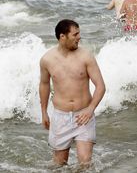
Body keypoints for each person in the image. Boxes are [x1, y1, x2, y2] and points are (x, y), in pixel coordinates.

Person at [39, 19, 105, 168]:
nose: (79, 37)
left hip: (83, 115)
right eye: (75, 34)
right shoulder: (47, 60)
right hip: (60, 117)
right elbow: (44, 85)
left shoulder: (86, 56)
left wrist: (90, 109)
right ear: (63, 36)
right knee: (59, 164)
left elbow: (100, 86)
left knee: (85, 163)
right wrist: (44, 112)